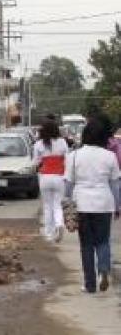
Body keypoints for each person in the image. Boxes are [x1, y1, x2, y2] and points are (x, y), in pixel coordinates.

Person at [64, 116, 121, 293]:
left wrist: (67, 204)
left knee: (86, 245)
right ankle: (103, 270)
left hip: (81, 203)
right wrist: (118, 205)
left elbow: (68, 184)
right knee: (103, 241)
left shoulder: (73, 156)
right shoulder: (110, 156)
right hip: (104, 203)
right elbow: (115, 184)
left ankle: (90, 284)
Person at [33, 119, 69, 242]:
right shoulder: (62, 142)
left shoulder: (39, 144)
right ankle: (59, 225)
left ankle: (49, 233)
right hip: (59, 177)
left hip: (45, 177)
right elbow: (67, 160)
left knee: (47, 206)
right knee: (57, 205)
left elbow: (36, 162)